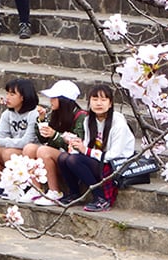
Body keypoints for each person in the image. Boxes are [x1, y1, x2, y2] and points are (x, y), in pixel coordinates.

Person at [56, 84, 137, 212]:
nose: (99, 103)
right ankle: (74, 193)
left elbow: (114, 154)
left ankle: (101, 198)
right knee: (63, 157)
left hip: (117, 163)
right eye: (95, 99)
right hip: (100, 159)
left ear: (110, 104)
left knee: (74, 160)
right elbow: (88, 145)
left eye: (103, 100)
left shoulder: (118, 123)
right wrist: (77, 146)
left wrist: (86, 151)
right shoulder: (88, 120)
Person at [22, 80, 87, 206]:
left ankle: (55, 191)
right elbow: (44, 140)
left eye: (54, 98)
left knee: (43, 150)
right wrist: (41, 121)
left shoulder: (81, 117)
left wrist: (55, 135)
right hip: (58, 154)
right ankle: (36, 189)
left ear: (64, 100)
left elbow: (77, 145)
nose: (50, 100)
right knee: (29, 148)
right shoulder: (55, 113)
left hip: (71, 159)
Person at [0, 78, 40, 196]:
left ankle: (21, 186)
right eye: (7, 93)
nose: (7, 97)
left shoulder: (34, 113)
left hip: (31, 151)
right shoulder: (7, 114)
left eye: (12, 94)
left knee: (9, 153)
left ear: (23, 97)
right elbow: (0, 134)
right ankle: (5, 183)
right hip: (14, 147)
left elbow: (26, 141)